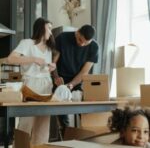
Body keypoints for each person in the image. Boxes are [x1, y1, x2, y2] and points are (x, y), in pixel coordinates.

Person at [7, 17, 56, 145]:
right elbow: (11, 59)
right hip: (31, 86)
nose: (51, 32)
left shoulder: (49, 49)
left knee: (43, 126)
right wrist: (33, 59)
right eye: (49, 28)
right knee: (26, 124)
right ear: (41, 27)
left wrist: (51, 67)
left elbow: (44, 69)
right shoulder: (27, 43)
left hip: (46, 85)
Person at [52, 24, 99, 136]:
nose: (81, 44)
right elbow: (53, 63)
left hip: (77, 81)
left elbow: (84, 72)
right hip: (60, 80)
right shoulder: (62, 38)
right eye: (80, 40)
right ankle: (66, 140)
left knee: (85, 113)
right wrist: (56, 77)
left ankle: (88, 140)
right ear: (77, 32)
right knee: (63, 118)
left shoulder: (94, 47)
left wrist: (71, 85)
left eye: (85, 43)